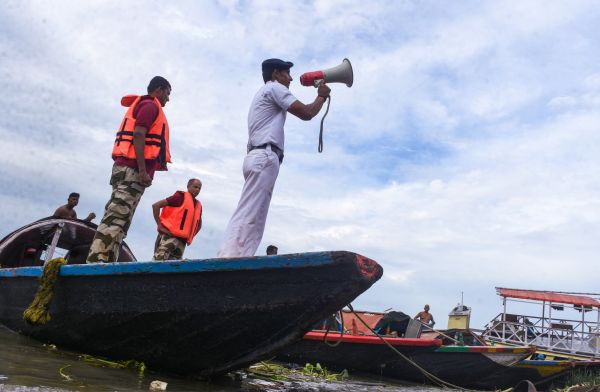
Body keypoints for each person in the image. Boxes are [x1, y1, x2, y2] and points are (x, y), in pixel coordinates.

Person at [217, 58, 331, 258]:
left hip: (260, 156)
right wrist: (321, 97)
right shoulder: (274, 88)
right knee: (251, 212)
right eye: (287, 73)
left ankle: (241, 257)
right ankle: (228, 258)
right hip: (265, 155)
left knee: (256, 214)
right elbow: (306, 113)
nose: (291, 78)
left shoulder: (264, 92)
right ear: (275, 74)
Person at [86, 76, 172, 263]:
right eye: (167, 93)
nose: (168, 98)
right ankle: (96, 262)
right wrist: (142, 169)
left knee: (121, 220)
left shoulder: (148, 105)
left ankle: (106, 261)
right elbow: (139, 133)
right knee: (116, 218)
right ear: (159, 89)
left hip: (129, 171)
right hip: (132, 170)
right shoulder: (150, 106)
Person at [152, 178, 203, 260]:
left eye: (199, 188)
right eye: (195, 187)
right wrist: (160, 226)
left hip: (182, 242)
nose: (197, 190)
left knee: (173, 268)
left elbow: (199, 225)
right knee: (158, 261)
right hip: (169, 236)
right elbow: (156, 205)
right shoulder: (180, 197)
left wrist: (190, 236)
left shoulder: (198, 205)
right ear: (188, 186)